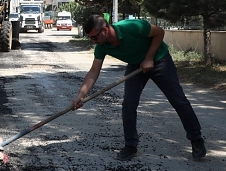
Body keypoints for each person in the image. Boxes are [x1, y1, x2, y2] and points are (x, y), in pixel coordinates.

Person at [72, 14, 206, 161]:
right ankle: (130, 146)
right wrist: (81, 95)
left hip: (159, 60)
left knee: (178, 100)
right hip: (136, 66)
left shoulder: (132, 27)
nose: (93, 41)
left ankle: (196, 139)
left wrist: (149, 58)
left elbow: (159, 32)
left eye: (94, 37)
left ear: (105, 30)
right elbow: (93, 72)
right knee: (128, 105)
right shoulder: (102, 46)